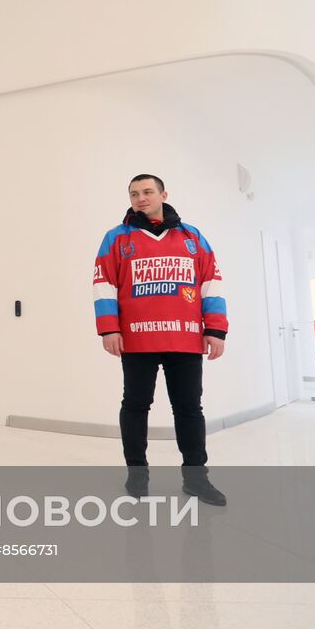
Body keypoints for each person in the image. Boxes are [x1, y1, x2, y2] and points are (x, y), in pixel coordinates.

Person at [93, 174, 228, 506]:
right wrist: (110, 328)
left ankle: (197, 480)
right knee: (136, 407)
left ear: (163, 194)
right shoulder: (116, 238)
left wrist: (215, 329)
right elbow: (103, 284)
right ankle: (137, 475)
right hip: (137, 339)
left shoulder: (192, 236)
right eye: (134, 193)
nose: (141, 198)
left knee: (189, 410)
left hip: (184, 338)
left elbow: (210, 282)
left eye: (147, 191)